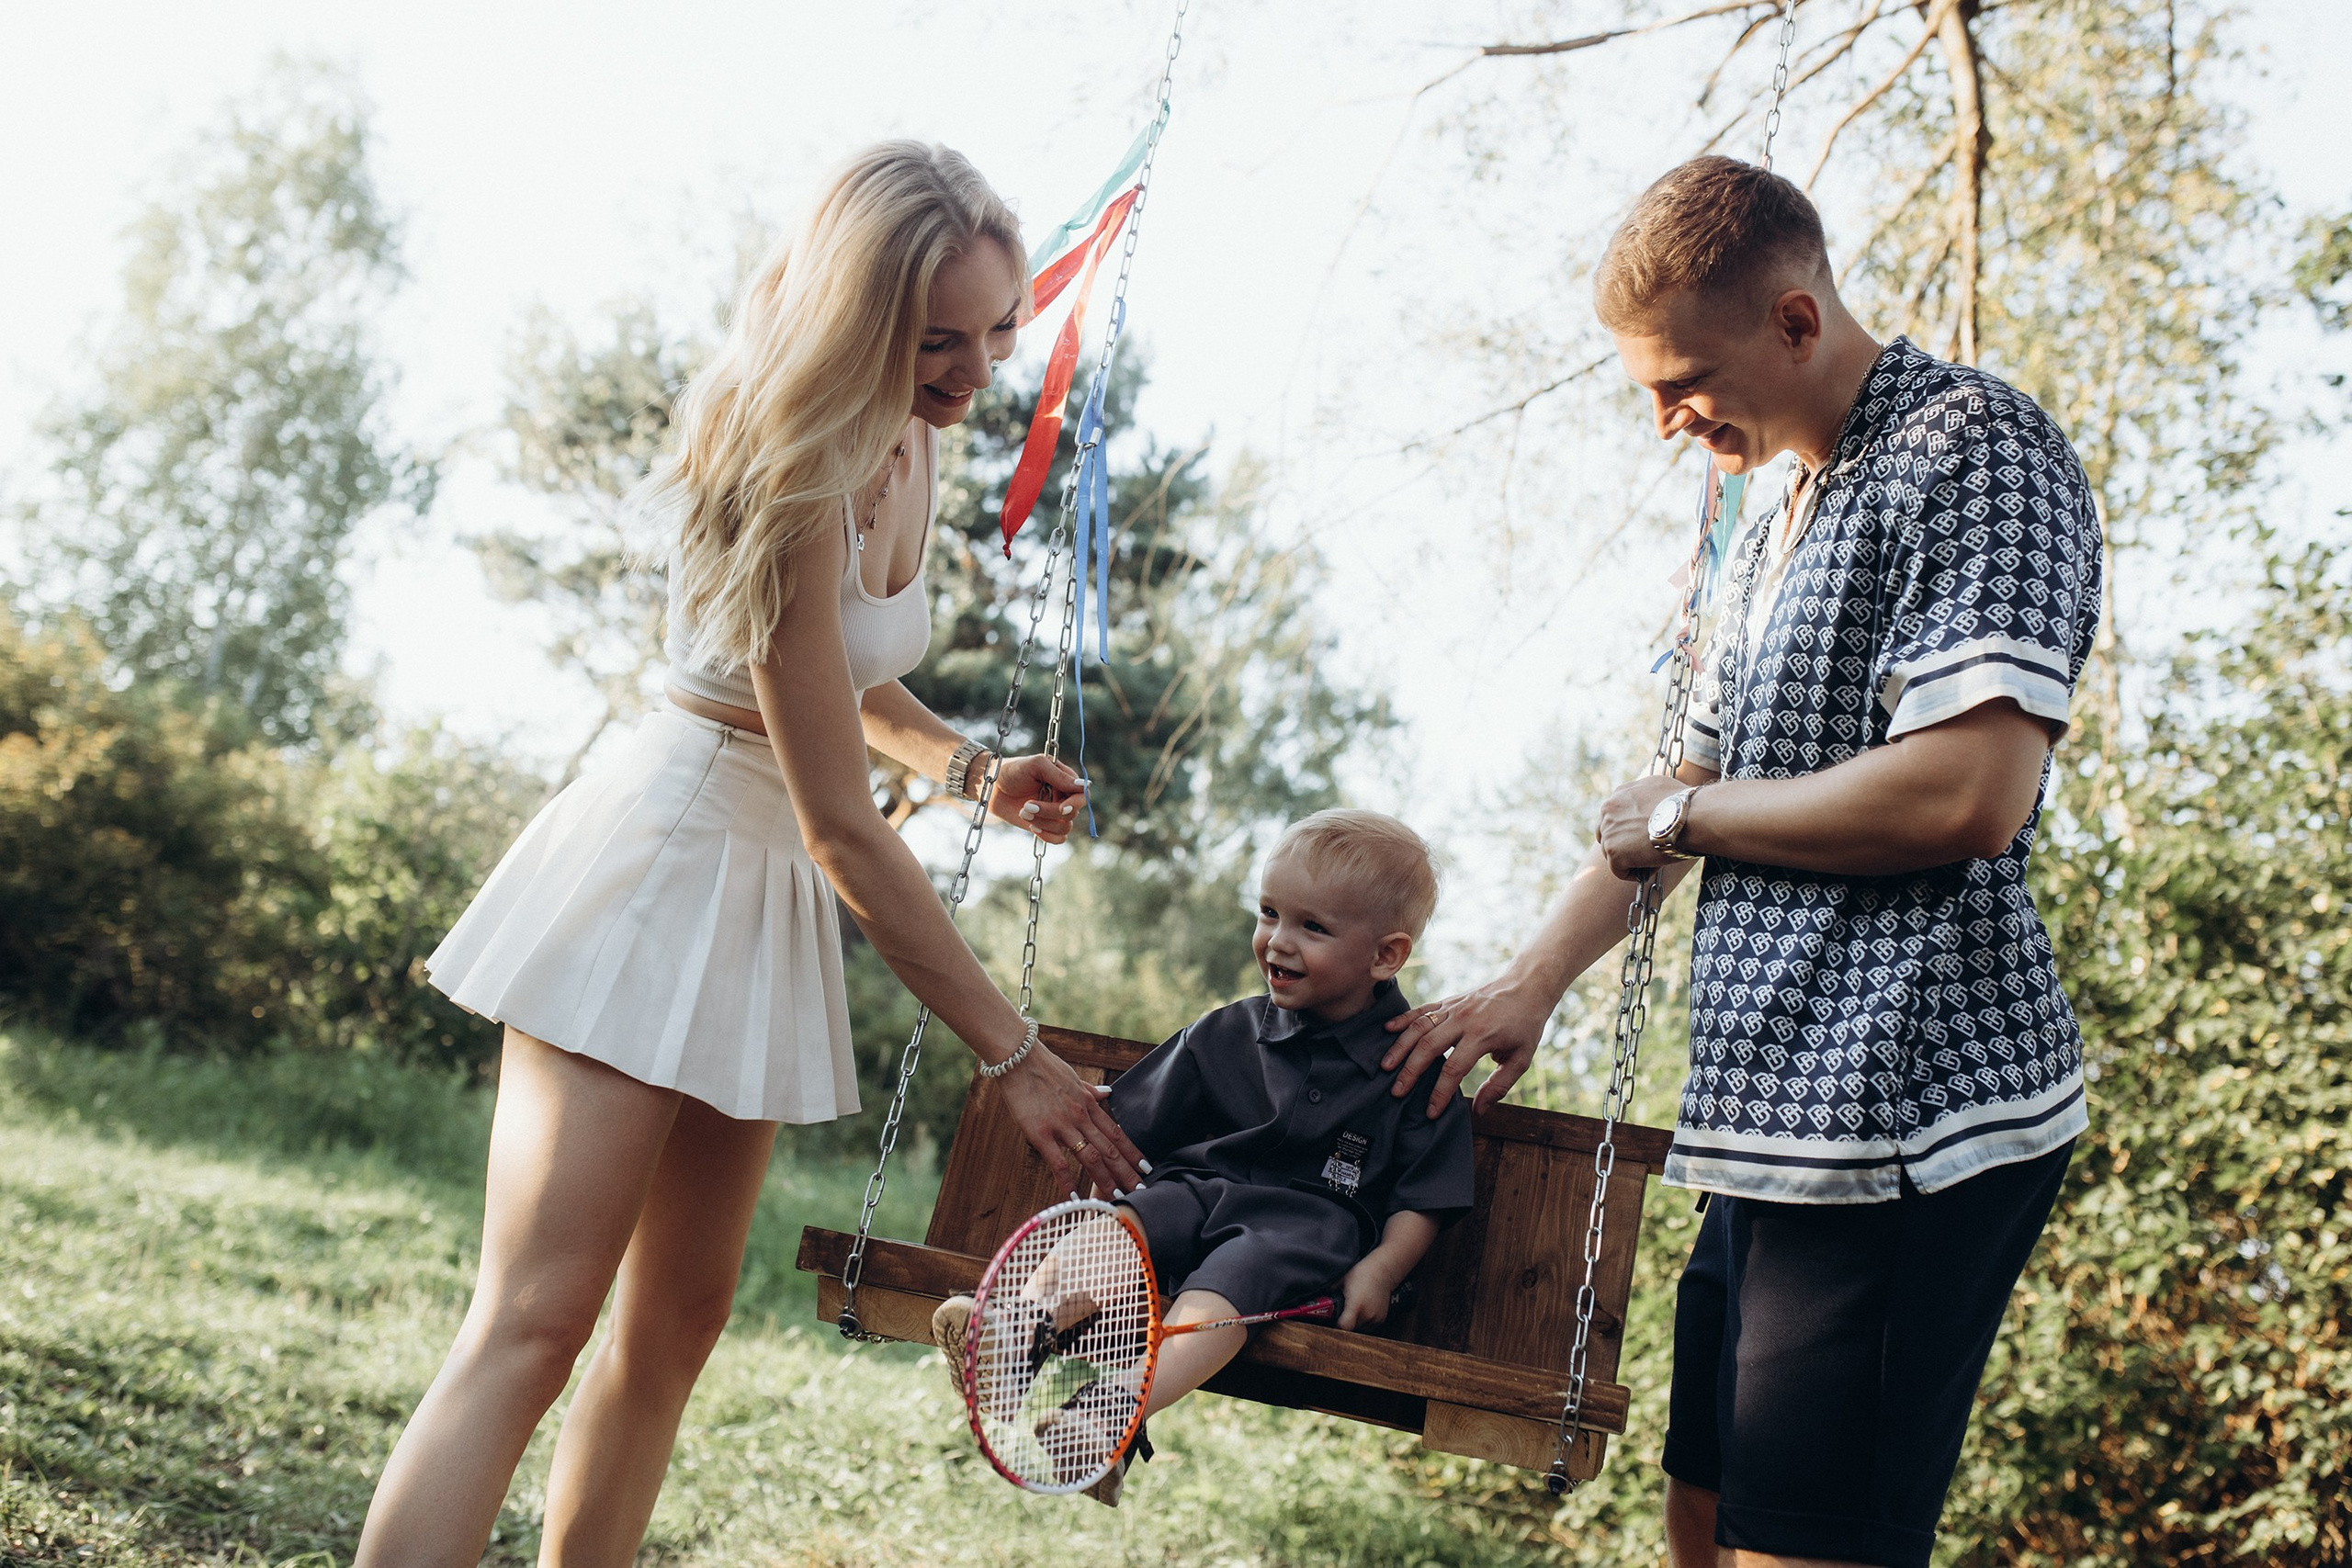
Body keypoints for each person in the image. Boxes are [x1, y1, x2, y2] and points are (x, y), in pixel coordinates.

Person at [354, 141, 1145, 1568]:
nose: (976, 369)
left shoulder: (912, 434)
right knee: (532, 1322)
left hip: (761, 886)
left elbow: (843, 681)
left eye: (997, 330)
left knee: (677, 1325)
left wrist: (968, 769)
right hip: (659, 871)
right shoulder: (784, 453)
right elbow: (842, 821)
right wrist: (1011, 1052)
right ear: (859, 317)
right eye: (937, 339)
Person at [1382, 157, 2103, 1568]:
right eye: (1645, 388)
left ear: (1792, 318)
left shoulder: (1973, 447)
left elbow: (1970, 788)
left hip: (1908, 1109)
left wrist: (1686, 822)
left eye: (1684, 381)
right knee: (1702, 1517)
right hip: (1774, 1113)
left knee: (1804, 1546)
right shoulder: (1771, 514)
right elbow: (1685, 793)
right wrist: (1528, 984)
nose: (1665, 422)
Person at [933, 808, 1473, 1505]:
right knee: (1120, 1224)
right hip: (1196, 1193)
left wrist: (1381, 1267)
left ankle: (1113, 1412)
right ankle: (1013, 1334)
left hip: (1301, 1232)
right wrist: (1091, 1108)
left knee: (1236, 1279)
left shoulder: (1416, 1068)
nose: (1277, 940)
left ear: (1385, 955)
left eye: (1312, 926)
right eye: (1269, 912)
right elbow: (1133, 1123)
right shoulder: (1228, 1031)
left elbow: (1421, 1199)